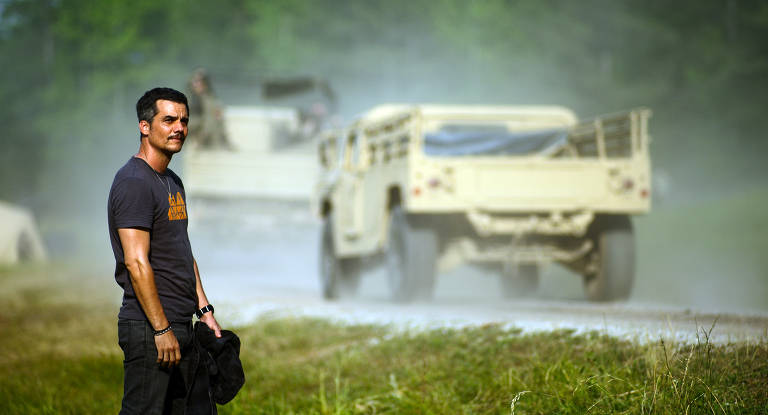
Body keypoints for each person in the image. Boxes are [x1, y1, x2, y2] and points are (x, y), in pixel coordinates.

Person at [108, 87, 222, 414]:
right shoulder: (133, 182)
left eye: (184, 120)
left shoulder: (172, 180)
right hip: (150, 328)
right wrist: (161, 329)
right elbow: (136, 262)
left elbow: (182, 249)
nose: (179, 128)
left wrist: (205, 309)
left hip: (181, 324)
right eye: (169, 119)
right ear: (145, 126)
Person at [187, 69, 233, 150]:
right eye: (194, 81)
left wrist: (202, 136)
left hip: (207, 136)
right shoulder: (189, 97)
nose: (196, 84)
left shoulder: (209, 99)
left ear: (205, 84)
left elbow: (211, 120)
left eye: (199, 81)